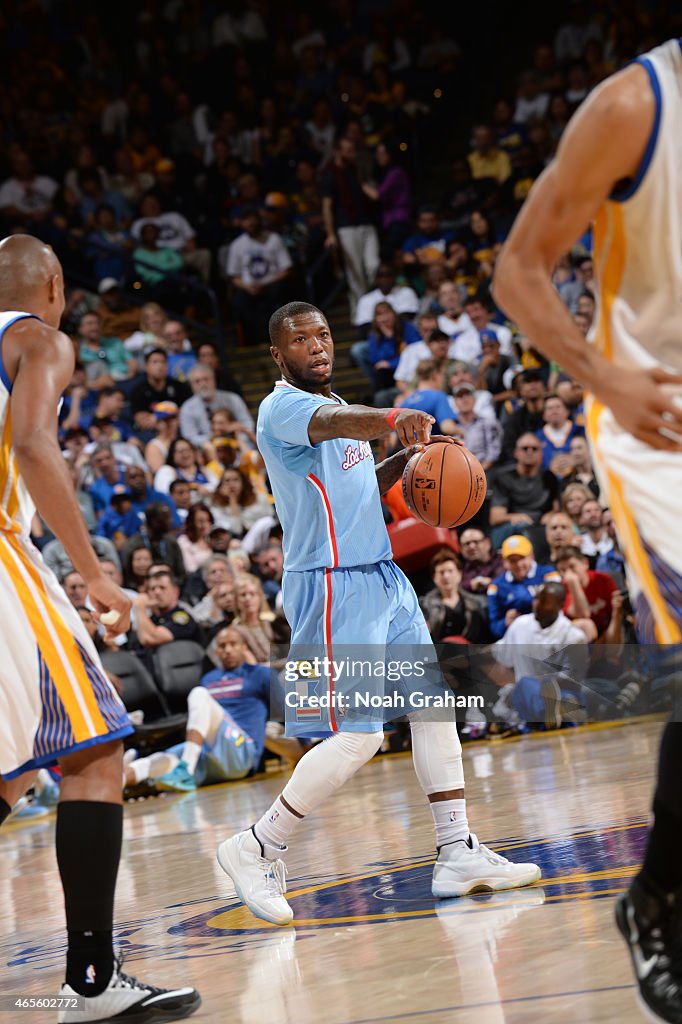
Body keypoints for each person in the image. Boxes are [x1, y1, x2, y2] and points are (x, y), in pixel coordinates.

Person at [215, 300, 540, 926]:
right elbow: (347, 427)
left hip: (382, 576)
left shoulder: (337, 412)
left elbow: (360, 480)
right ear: (278, 355)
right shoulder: (284, 408)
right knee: (359, 735)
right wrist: (394, 417)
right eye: (301, 339)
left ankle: (455, 851)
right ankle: (256, 846)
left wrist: (413, 464)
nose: (317, 346)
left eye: (324, 335)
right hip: (333, 585)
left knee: (432, 706)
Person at [493, 39, 682, 1022]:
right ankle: (660, 898)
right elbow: (517, 269)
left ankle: (658, 889)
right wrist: (601, 377)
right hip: (661, 431)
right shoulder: (632, 106)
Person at [0, 235, 200, 1021]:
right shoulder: (38, 338)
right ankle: (91, 980)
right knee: (94, 746)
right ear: (52, 284)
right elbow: (31, 443)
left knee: (14, 772)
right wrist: (93, 572)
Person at [127, 627, 304, 794]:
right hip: (209, 756)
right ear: (216, 652)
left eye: (233, 644)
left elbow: (285, 710)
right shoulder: (208, 678)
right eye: (222, 646)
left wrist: (307, 745)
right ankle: (122, 779)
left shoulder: (261, 674)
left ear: (244, 647)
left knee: (198, 694)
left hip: (242, 751)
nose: (227, 650)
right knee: (158, 760)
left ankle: (186, 769)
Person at [487, 535, 562, 640]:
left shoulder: (548, 574)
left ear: (532, 556)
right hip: (516, 638)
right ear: (504, 562)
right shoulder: (496, 586)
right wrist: (505, 622)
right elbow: (494, 627)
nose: (518, 564)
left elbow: (557, 605)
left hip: (549, 632)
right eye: (513, 560)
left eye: (522, 558)